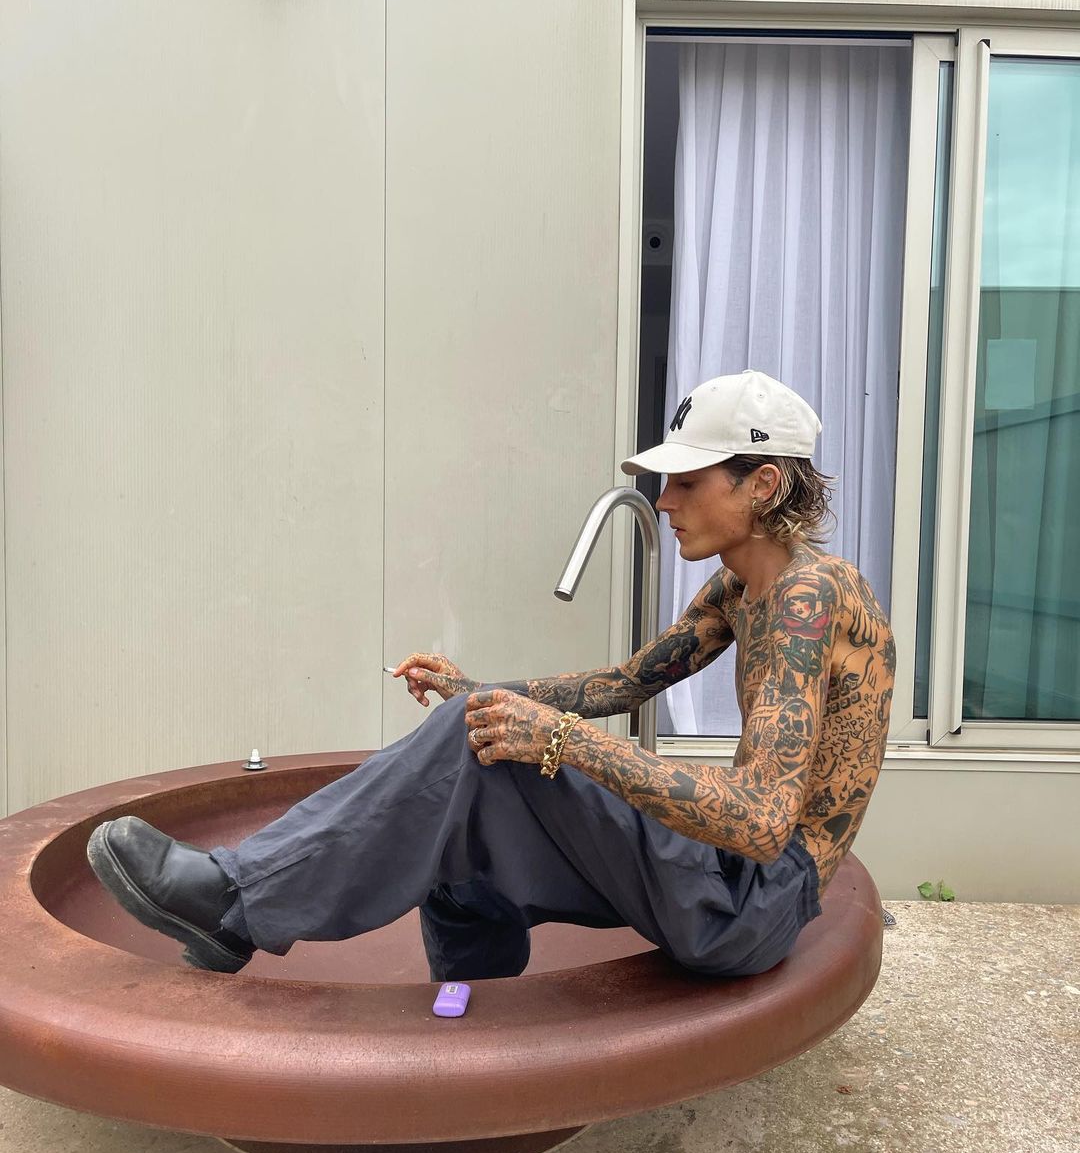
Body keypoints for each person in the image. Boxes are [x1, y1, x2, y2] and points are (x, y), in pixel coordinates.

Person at [87, 369, 894, 982]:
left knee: (485, 750)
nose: (663, 501)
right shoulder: (739, 587)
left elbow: (760, 821)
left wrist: (559, 739)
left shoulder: (807, 599)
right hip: (731, 882)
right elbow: (626, 683)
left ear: (763, 484)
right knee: (475, 774)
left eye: (687, 482)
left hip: (753, 902)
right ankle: (476, 1013)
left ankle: (234, 899)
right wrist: (481, 694)